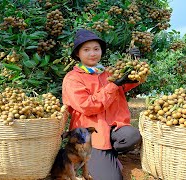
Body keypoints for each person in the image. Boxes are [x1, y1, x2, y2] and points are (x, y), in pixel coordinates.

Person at [62, 29, 145, 180]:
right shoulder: (72, 78)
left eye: (96, 49)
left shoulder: (107, 72)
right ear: (77, 54)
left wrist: (135, 65)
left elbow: (127, 83)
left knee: (132, 136)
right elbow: (87, 106)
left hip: (112, 127)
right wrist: (113, 86)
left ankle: (109, 153)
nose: (92, 53)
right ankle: (94, 158)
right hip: (90, 135)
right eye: (86, 50)